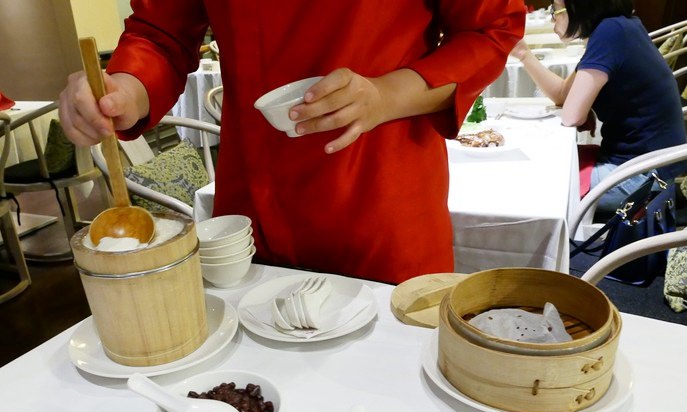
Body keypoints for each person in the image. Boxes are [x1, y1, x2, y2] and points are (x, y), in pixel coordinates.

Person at [60, 1, 525, 283]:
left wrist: (385, 95)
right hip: (253, 204)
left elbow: (490, 29)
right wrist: (126, 88)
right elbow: (161, 33)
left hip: (381, 196)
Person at [511, 0, 687, 215]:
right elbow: (563, 95)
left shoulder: (609, 33)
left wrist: (584, 110)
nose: (552, 18)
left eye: (555, 8)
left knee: (529, 180)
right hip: (652, 168)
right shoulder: (621, 26)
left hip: (639, 178)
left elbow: (571, 116)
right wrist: (524, 54)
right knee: (539, 162)